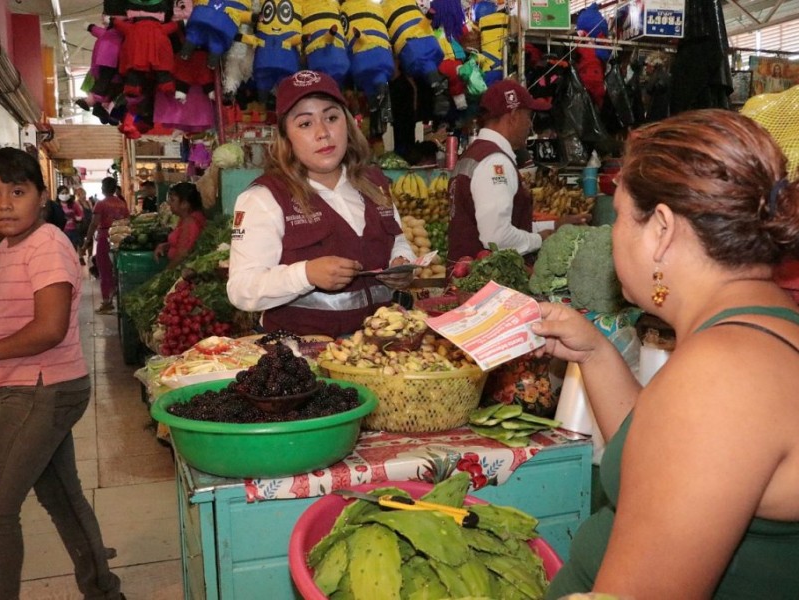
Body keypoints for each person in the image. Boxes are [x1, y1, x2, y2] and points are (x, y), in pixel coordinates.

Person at [531, 110, 799, 599]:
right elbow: (670, 462)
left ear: (660, 229)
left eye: (617, 215)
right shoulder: (763, 324)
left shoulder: (723, 375)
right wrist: (595, 354)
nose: (612, 234)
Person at [0, 147, 124, 600]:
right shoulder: (7, 247)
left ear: (42, 195)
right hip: (32, 386)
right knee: (62, 497)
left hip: (42, 388)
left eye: (17, 191)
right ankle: (103, 590)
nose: (5, 203)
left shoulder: (46, 242)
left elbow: (48, 328)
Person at [227, 70, 416, 338]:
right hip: (302, 362)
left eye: (331, 117)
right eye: (305, 124)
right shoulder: (264, 198)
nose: (323, 133)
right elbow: (241, 289)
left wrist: (403, 261)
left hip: (380, 352)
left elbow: (397, 238)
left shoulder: (375, 183)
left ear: (347, 125)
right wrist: (305, 274)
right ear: (286, 138)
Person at [447, 79, 588, 267]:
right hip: (485, 283)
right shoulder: (495, 162)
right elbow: (496, 237)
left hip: (467, 277)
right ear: (513, 116)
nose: (530, 125)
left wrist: (555, 225)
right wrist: (539, 239)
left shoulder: (475, 154)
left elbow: (504, 223)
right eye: (528, 116)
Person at [82, 177, 130, 314]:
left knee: (104, 270)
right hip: (120, 239)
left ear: (103, 189)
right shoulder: (122, 204)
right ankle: (118, 298)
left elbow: (94, 223)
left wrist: (87, 241)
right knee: (117, 269)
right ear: (115, 189)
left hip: (105, 238)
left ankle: (107, 302)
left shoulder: (100, 204)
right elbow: (127, 221)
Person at [154, 181, 207, 269]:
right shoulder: (185, 218)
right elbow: (182, 243)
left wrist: (166, 273)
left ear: (184, 204)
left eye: (172, 200)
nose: (169, 203)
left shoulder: (190, 222)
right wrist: (165, 246)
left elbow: (183, 254)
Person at [56, 184, 84, 254]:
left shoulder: (73, 204)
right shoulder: (55, 206)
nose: (65, 195)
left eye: (66, 193)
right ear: (58, 194)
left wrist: (74, 217)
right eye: (62, 193)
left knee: (72, 252)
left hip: (73, 231)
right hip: (60, 232)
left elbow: (81, 215)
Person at [75, 187, 93, 265]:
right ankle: (81, 257)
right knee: (80, 241)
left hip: (89, 224)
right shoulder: (77, 203)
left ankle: (90, 256)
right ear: (78, 195)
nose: (84, 195)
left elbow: (92, 211)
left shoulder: (88, 202)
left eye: (84, 193)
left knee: (90, 240)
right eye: (82, 194)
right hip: (81, 225)